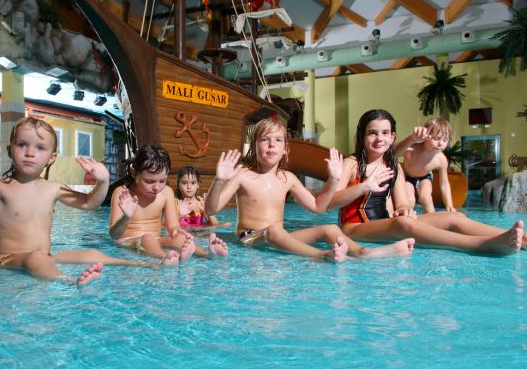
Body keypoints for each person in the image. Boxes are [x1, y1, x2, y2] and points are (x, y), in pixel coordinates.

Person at [0, 117, 169, 287]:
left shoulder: (52, 188)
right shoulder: (0, 187)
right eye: (22, 145)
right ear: (10, 150)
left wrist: (102, 181)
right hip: (7, 259)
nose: (30, 152)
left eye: (40, 148)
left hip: (43, 256)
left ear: (51, 158)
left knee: (91, 254)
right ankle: (71, 281)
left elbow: (90, 203)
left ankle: (141, 263)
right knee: (37, 259)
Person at [205, 117, 416, 261]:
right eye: (264, 139)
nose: (271, 144)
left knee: (329, 229)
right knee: (274, 230)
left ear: (285, 148)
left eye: (278, 140)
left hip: (279, 237)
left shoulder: (288, 178)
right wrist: (219, 181)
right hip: (250, 238)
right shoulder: (243, 175)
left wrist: (333, 180)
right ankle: (321, 256)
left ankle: (364, 253)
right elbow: (211, 209)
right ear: (254, 146)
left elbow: (318, 207)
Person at [328, 109, 524, 255]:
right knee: (402, 223)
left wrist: (404, 209)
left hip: (385, 222)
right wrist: (363, 187)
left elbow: (402, 203)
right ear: (362, 135)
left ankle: (522, 239)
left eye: (385, 133)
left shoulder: (393, 166)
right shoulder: (352, 163)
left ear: (392, 136)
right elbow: (329, 202)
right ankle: (482, 245)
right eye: (372, 133)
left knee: (452, 218)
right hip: (353, 227)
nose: (379, 138)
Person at [109, 145, 228, 261]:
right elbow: (114, 234)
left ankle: (208, 255)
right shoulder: (122, 194)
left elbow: (173, 226)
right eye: (149, 181)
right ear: (134, 173)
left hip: (156, 240)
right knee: (147, 239)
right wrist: (126, 217)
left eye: (162, 181)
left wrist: (177, 231)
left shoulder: (166, 192)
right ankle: (164, 258)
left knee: (180, 238)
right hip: (128, 241)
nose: (157, 187)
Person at [395, 118, 456, 213]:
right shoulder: (411, 149)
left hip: (425, 177)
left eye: (445, 140)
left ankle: (432, 219)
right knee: (410, 200)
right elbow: (393, 152)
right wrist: (411, 139)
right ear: (425, 136)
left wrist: (449, 205)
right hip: (407, 177)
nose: (441, 143)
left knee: (426, 198)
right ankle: (408, 218)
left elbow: (444, 184)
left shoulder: (441, 159)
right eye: (436, 138)